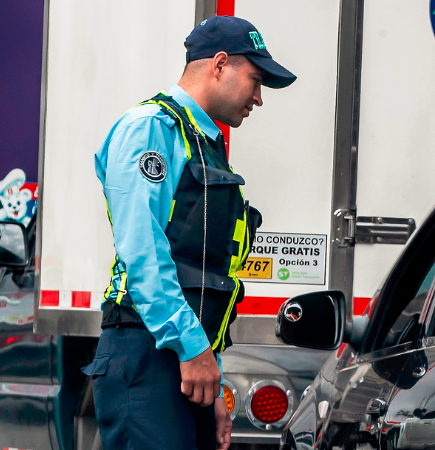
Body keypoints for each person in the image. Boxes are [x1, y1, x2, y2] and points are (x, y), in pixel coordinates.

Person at [86, 16, 295, 450]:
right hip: (145, 353)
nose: (259, 98)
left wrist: (211, 379)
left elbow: (203, 271)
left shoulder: (204, 142)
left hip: (182, 360)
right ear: (219, 65)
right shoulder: (150, 128)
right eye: (256, 81)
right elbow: (144, 250)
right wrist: (192, 349)